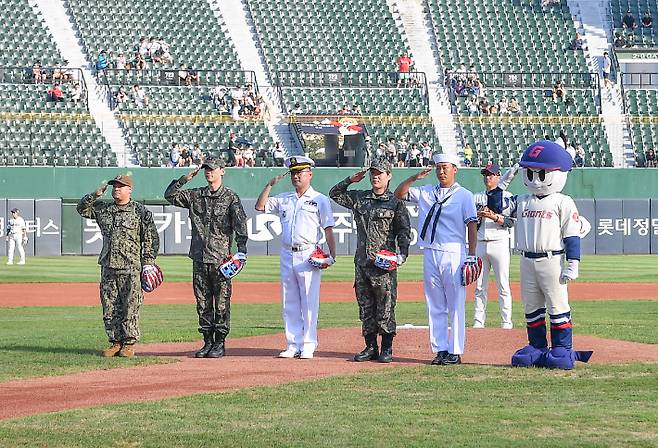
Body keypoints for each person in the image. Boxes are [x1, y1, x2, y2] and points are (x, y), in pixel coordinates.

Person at [506, 140, 592, 370]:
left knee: (557, 305)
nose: (535, 178)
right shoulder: (522, 200)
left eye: (541, 173)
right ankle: (537, 346)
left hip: (552, 259)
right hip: (526, 258)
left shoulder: (562, 201)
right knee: (531, 306)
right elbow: (497, 205)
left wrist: (573, 262)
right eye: (530, 172)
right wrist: (501, 184)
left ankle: (562, 348)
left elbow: (571, 234)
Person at [394, 153, 478, 366]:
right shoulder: (426, 192)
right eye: (439, 167)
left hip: (454, 251)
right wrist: (414, 178)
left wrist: (471, 255)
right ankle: (439, 348)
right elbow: (399, 194)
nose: (441, 171)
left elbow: (471, 225)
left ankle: (455, 350)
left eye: (445, 167)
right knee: (435, 304)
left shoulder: (464, 195)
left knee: (455, 304)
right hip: (430, 250)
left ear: (455, 169)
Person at [329, 157, 411, 363]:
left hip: (383, 265)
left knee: (385, 306)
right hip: (362, 263)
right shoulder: (360, 198)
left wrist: (402, 255)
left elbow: (404, 231)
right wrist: (350, 180)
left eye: (380, 173)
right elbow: (334, 194)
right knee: (365, 307)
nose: (375, 176)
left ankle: (387, 348)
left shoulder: (395, 202)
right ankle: (370, 346)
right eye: (373, 173)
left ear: (389, 176)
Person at [165, 157, 248, 358]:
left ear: (222, 171)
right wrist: (185, 178)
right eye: (206, 169)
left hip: (221, 261)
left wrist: (241, 251)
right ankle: (207, 341)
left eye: (212, 169)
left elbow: (240, 225)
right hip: (199, 258)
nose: (208, 172)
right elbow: (170, 195)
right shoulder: (196, 195)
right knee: (202, 303)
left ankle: (219, 342)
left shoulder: (230, 197)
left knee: (221, 302)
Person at [255, 156, 337, 360]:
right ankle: (293, 343)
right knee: (289, 300)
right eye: (293, 172)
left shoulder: (319, 199)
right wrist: (269, 185)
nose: (296, 176)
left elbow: (328, 229)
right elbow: (260, 206)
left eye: (300, 172)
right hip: (286, 252)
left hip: (308, 253)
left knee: (309, 301)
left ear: (310, 174)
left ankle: (308, 344)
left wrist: (332, 256)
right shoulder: (284, 198)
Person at [77, 175, 160, 358]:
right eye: (114, 186)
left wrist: (148, 263)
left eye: (121, 186)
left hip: (131, 266)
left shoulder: (140, 211)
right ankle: (115, 342)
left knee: (130, 306)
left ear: (129, 190)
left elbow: (151, 239)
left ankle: (129, 343)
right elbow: (82, 209)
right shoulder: (104, 209)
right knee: (110, 306)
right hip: (108, 265)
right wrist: (95, 194)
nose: (116, 189)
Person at [472, 164, 515, 329]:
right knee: (479, 286)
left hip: (500, 242)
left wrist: (494, 216)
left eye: (491, 175)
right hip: (481, 243)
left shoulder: (507, 196)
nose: (487, 178)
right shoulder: (476, 197)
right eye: (485, 175)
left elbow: (511, 222)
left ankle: (506, 321)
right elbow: (469, 222)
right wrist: (477, 215)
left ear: (499, 176)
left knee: (503, 285)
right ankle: (478, 321)